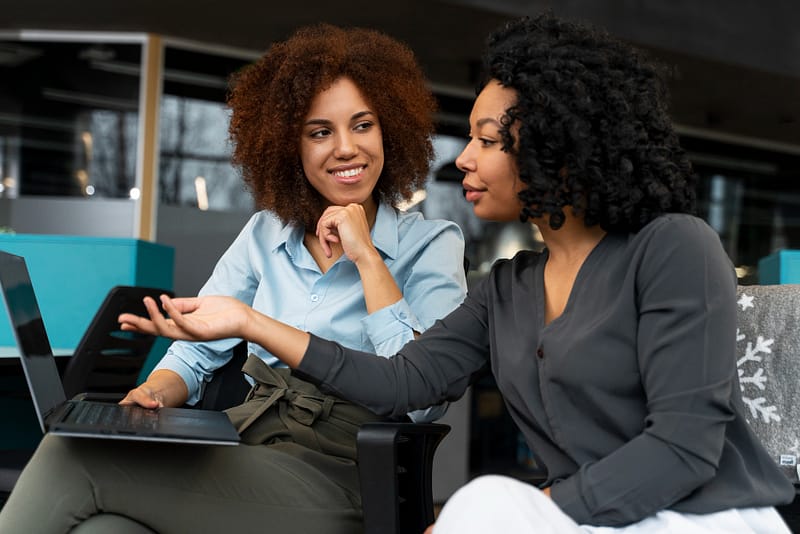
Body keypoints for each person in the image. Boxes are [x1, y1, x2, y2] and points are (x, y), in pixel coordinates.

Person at [115, 13, 796, 534]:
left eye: (487, 140)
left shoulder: (674, 248)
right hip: (584, 522)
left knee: (487, 500)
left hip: (699, 519)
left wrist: (534, 513)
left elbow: (682, 449)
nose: (462, 159)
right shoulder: (510, 289)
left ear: (556, 147)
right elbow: (402, 380)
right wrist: (247, 320)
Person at [0, 23, 466, 534]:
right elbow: (197, 351)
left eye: (362, 125)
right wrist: (156, 391)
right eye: (319, 132)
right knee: (105, 529)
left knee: (72, 457)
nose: (345, 149)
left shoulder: (432, 244)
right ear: (291, 147)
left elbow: (421, 397)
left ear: (390, 130)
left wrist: (368, 258)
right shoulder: (265, 233)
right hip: (244, 444)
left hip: (347, 474)